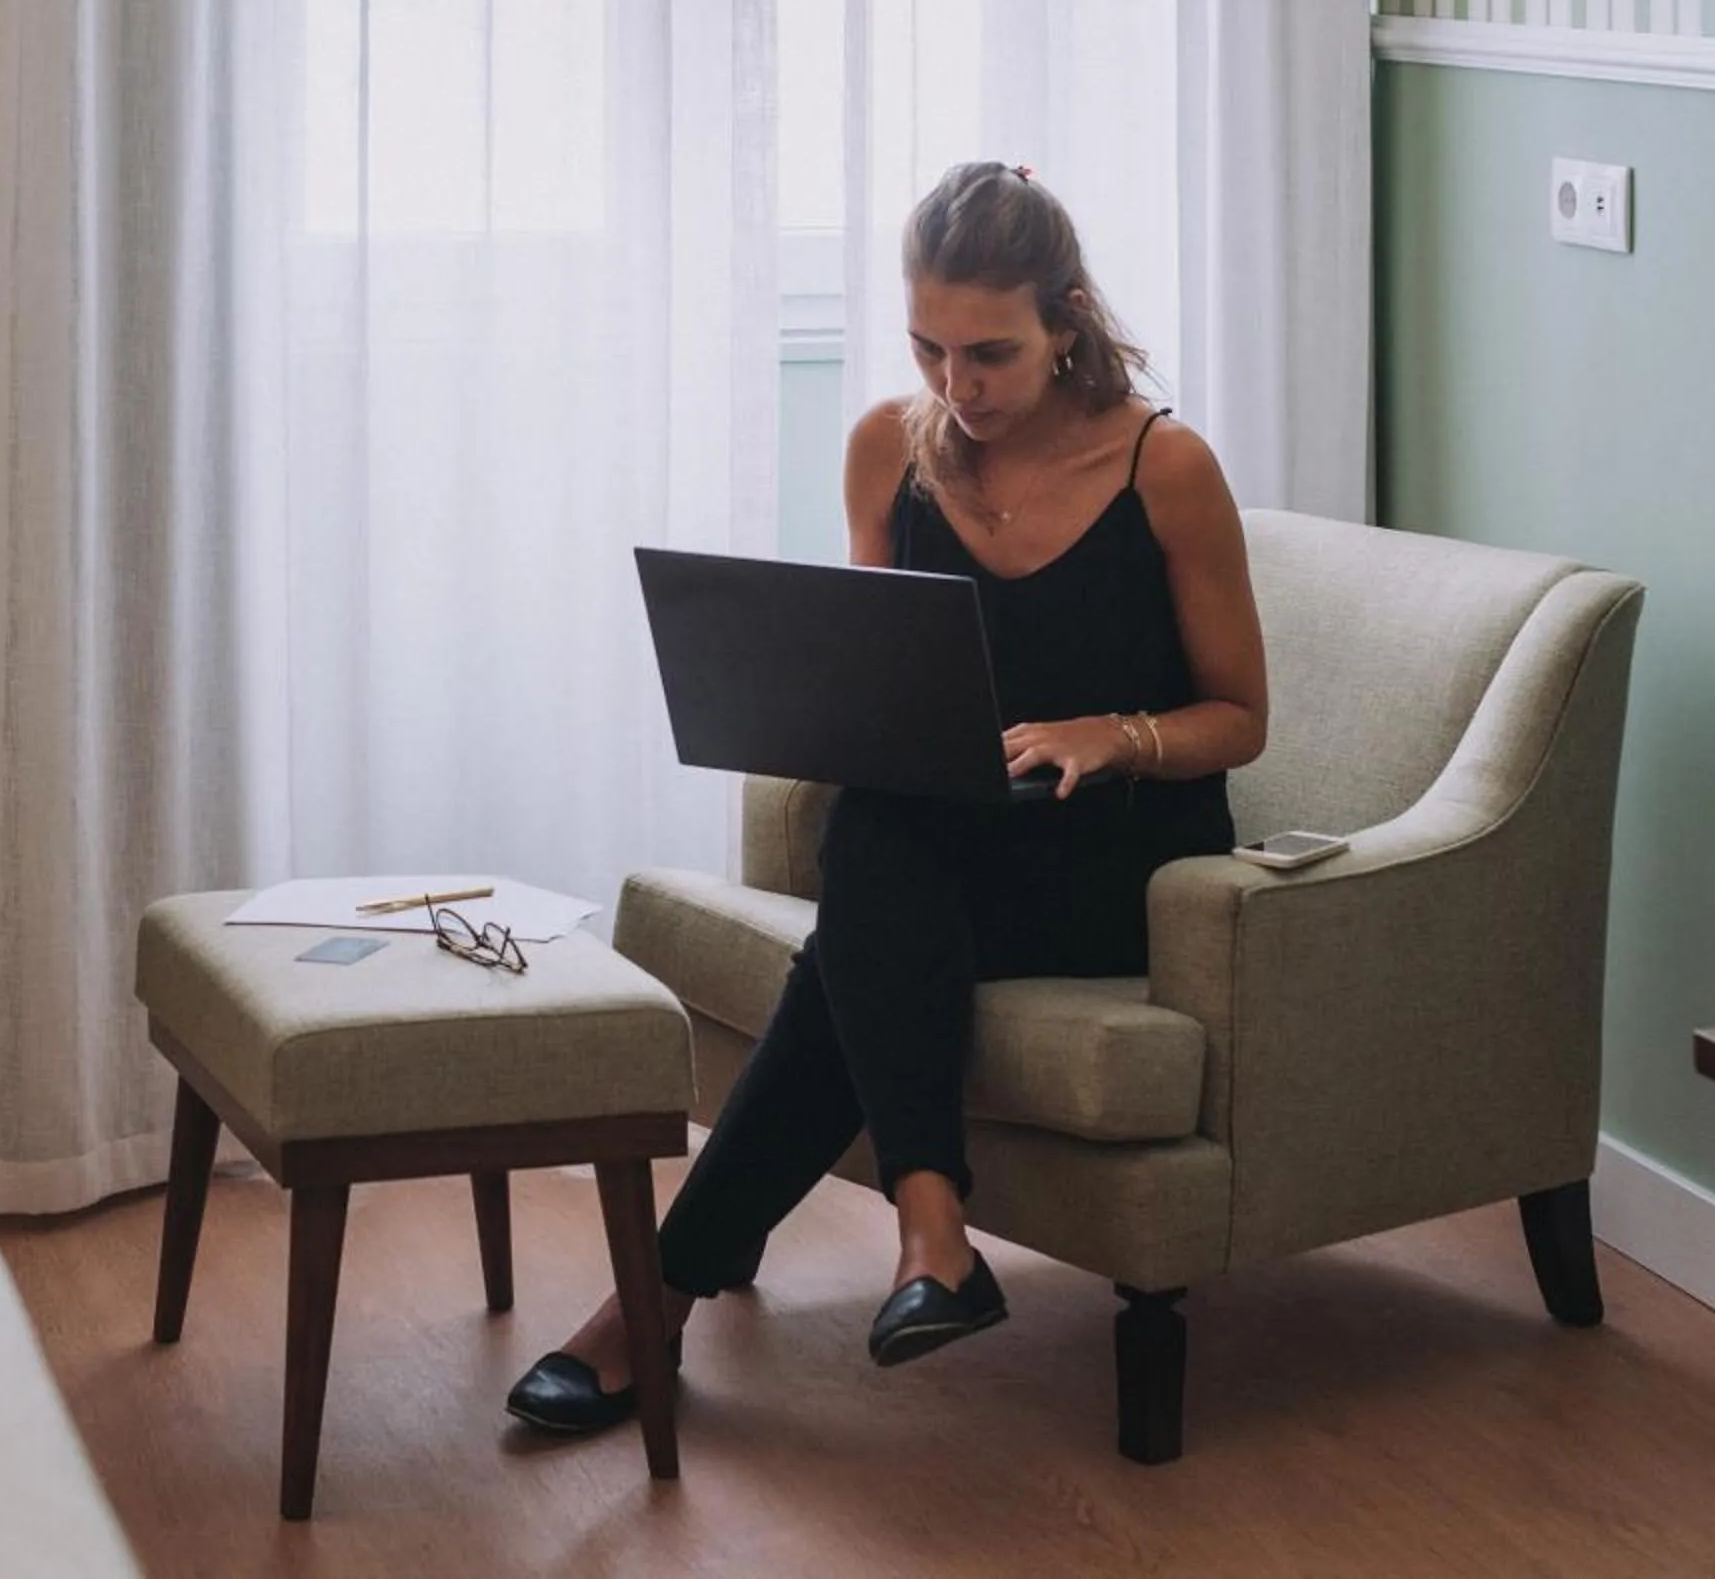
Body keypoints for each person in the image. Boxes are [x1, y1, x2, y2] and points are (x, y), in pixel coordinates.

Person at [504, 159, 1270, 1433]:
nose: (956, 387)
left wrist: (1114, 732)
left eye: (991, 355)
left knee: (866, 901)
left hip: (1124, 854)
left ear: (1066, 321)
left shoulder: (1164, 466)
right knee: (884, 843)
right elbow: (882, 672)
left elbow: (1240, 718)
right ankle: (926, 1241)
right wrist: (811, 710)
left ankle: (659, 1304)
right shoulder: (888, 449)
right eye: (928, 348)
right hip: (951, 834)